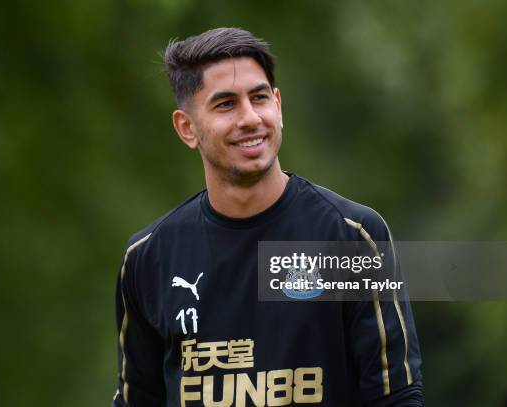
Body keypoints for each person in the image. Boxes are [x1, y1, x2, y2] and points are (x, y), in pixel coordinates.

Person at [113, 27, 423, 406]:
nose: (250, 118)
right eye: (225, 104)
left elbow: (395, 398)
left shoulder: (349, 237)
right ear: (187, 128)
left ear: (277, 105)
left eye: (258, 98)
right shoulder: (149, 258)